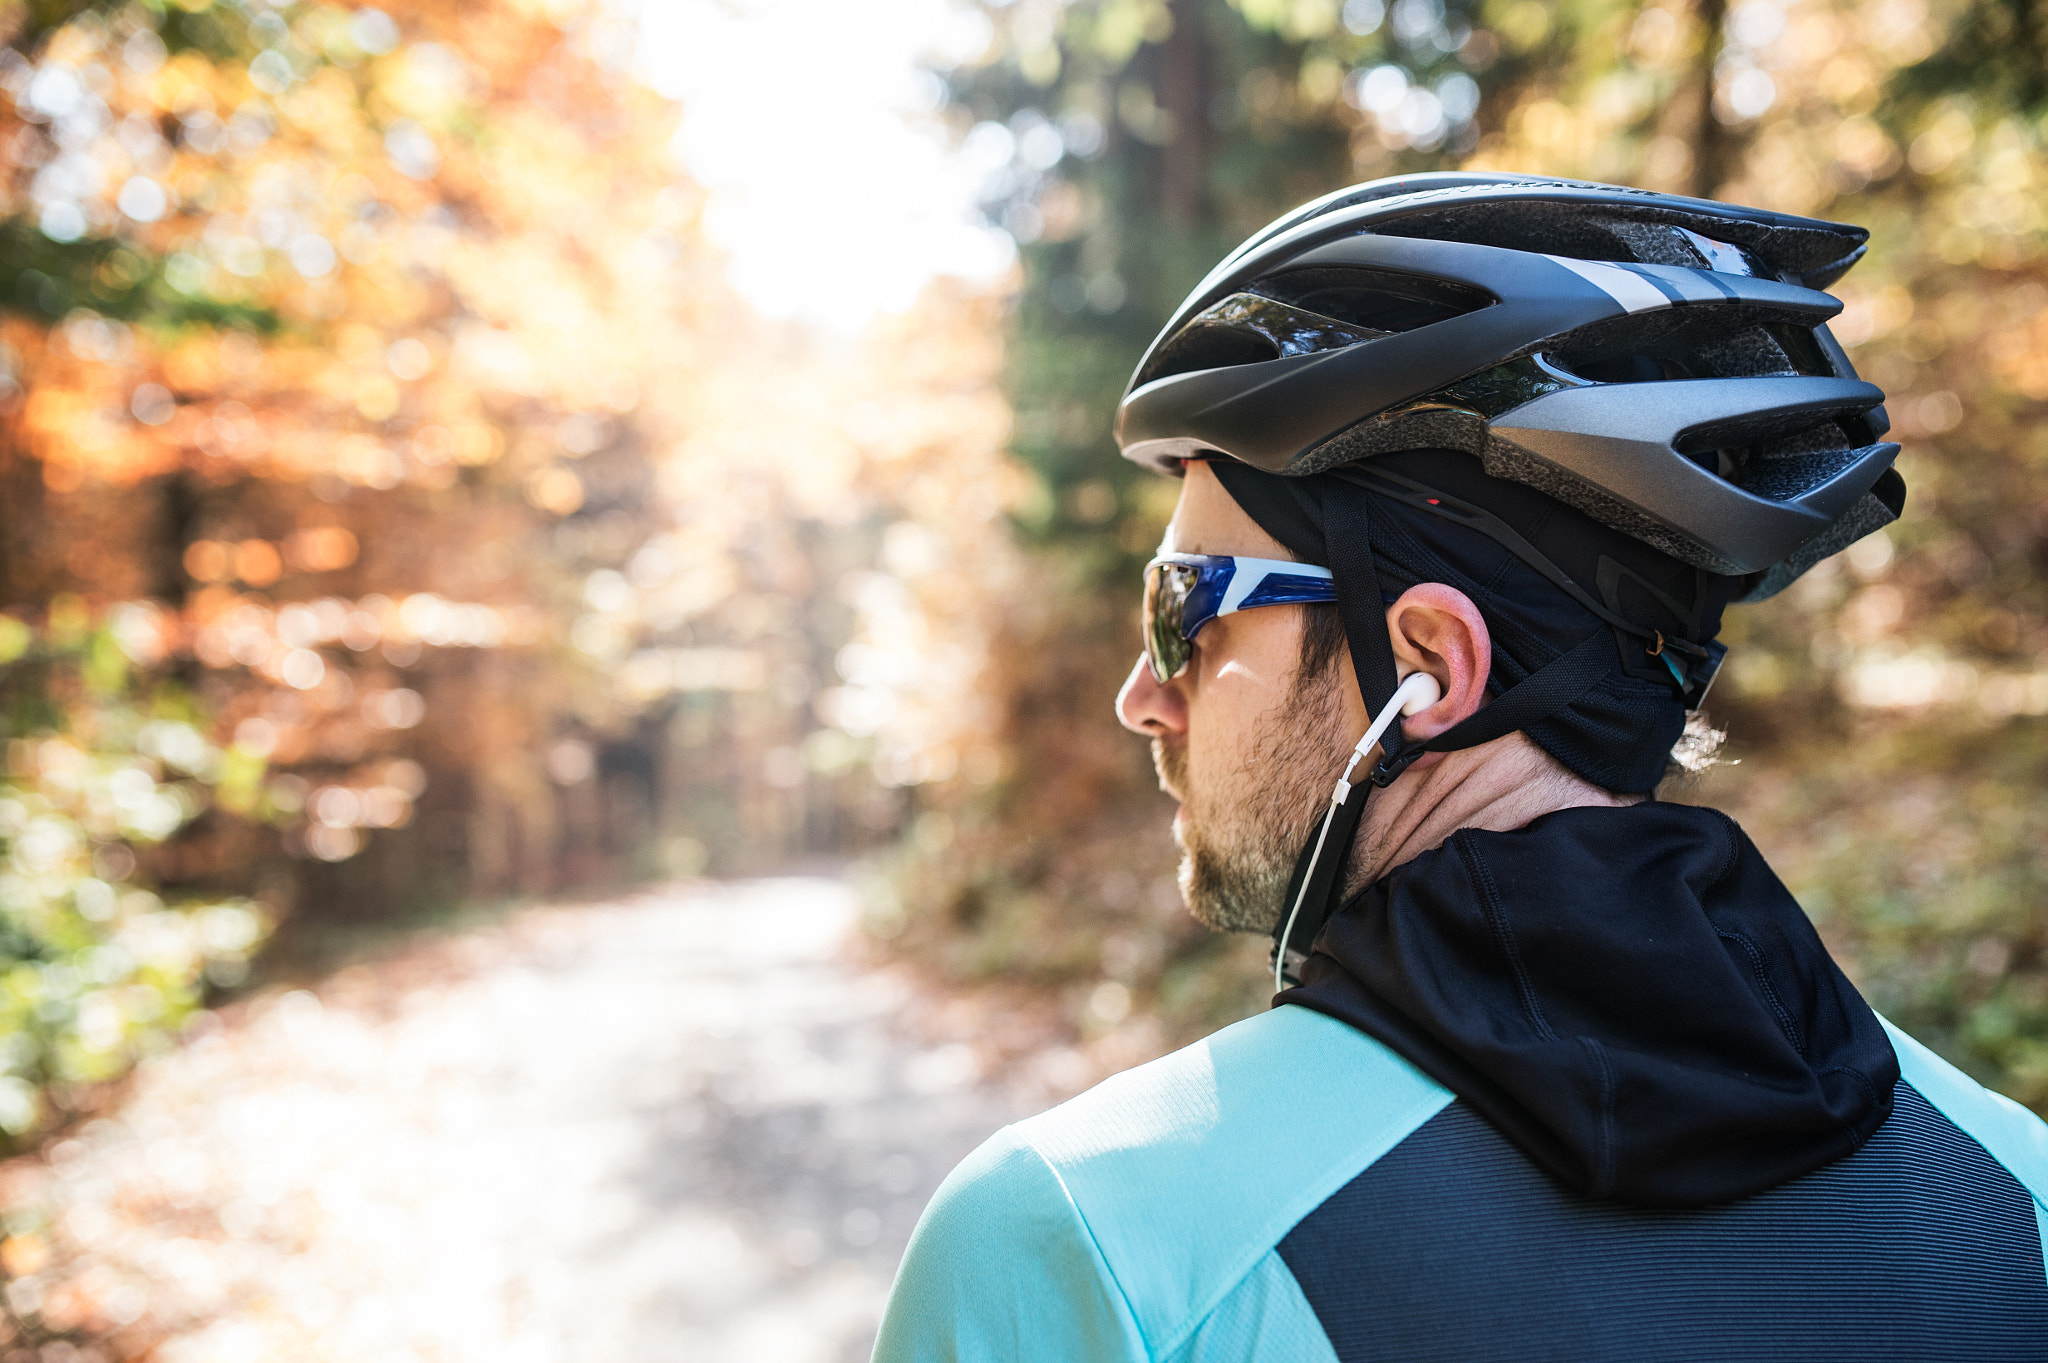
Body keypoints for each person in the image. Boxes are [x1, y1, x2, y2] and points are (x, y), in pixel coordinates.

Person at [871, 175, 2048, 1362]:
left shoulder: (1082, 1245)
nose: (1143, 695)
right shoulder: (2019, 1199)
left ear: (1427, 660)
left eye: (1184, 609)